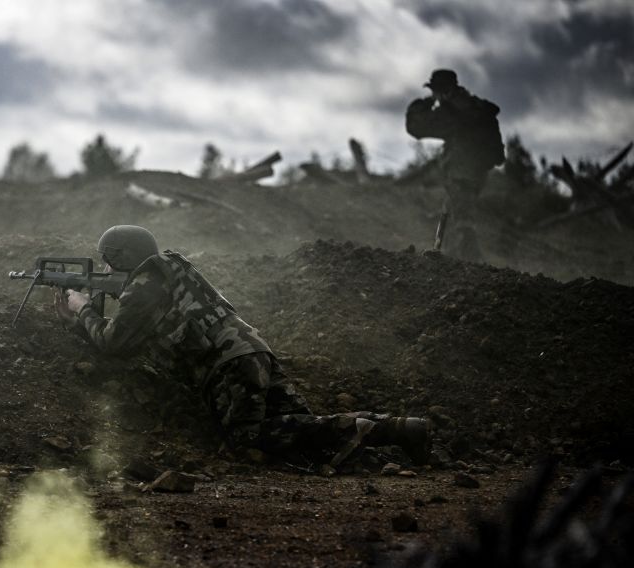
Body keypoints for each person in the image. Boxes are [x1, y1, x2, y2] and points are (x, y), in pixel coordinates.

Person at [54, 225, 429, 472]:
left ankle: (382, 432)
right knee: (304, 430)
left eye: (109, 260)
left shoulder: (144, 286)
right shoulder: (172, 273)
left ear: (121, 257)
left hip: (229, 366)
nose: (106, 266)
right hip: (252, 352)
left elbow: (112, 343)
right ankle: (398, 430)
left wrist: (81, 308)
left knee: (249, 438)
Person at [405, 69, 505, 261]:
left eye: (435, 91)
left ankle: (470, 265)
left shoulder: (454, 112)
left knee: (462, 222)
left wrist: (426, 103)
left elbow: (416, 127)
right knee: (457, 216)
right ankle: (455, 260)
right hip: (477, 173)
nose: (433, 96)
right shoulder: (476, 107)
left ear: (442, 91)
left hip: (460, 173)